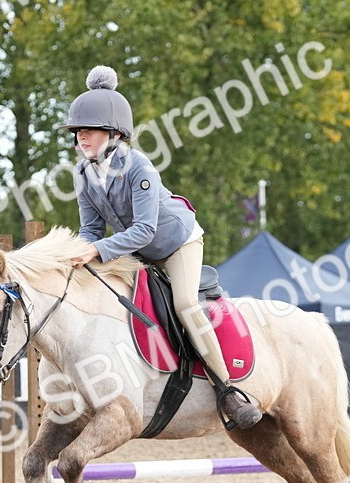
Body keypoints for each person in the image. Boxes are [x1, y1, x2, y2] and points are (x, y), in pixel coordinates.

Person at [60, 65, 262, 430]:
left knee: (185, 305)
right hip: (136, 250)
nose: (80, 139)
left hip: (176, 243)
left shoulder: (139, 167)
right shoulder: (82, 173)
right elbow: (91, 228)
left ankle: (228, 391)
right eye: (77, 132)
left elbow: (144, 229)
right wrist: (79, 257)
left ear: (114, 132)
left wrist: (97, 250)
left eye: (87, 131)